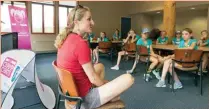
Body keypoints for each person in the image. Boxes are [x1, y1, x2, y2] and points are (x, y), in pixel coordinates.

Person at [54, 5, 134, 109]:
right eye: (89, 19)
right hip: (83, 98)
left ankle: (102, 95)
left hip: (71, 92)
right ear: (76, 22)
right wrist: (109, 86)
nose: (93, 23)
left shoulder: (65, 39)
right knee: (128, 79)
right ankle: (98, 99)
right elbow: (93, 79)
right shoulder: (80, 43)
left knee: (100, 66)